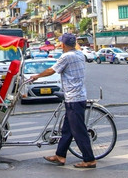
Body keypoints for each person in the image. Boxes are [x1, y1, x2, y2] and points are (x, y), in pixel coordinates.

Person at [28, 33, 96, 169]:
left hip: (74, 98)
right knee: (67, 130)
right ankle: (60, 155)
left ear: (64, 45)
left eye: (61, 43)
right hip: (77, 96)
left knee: (78, 130)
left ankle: (89, 159)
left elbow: (51, 70)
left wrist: (36, 76)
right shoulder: (79, 54)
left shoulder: (67, 56)